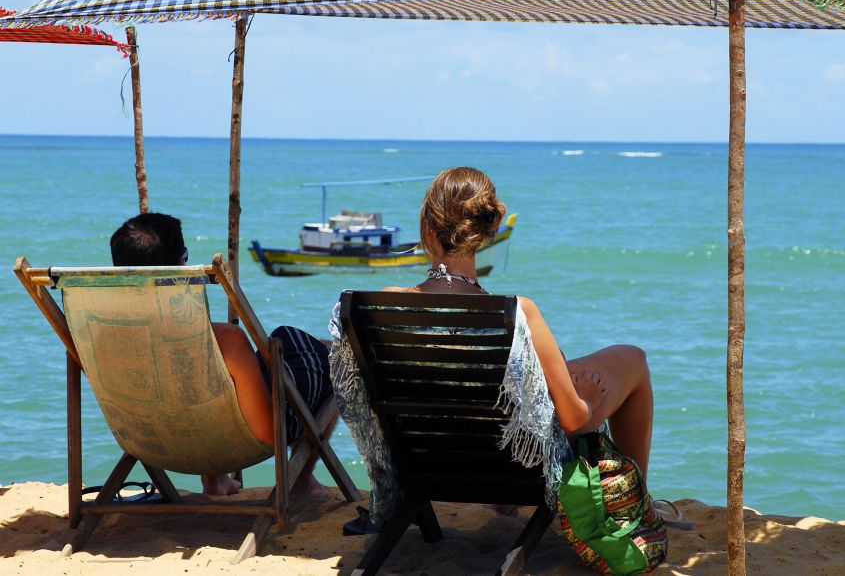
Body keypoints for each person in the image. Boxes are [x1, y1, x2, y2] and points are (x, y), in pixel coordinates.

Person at [328, 167, 654, 524]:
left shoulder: (383, 305)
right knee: (632, 360)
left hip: (424, 463)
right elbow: (573, 420)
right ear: (490, 231)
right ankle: (638, 507)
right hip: (516, 469)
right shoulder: (520, 313)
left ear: (426, 230)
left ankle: (503, 507)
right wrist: (589, 400)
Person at [110, 212, 331, 497]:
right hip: (228, 444)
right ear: (179, 266)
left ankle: (216, 480)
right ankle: (299, 477)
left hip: (147, 443)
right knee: (323, 354)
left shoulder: (102, 337)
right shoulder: (225, 340)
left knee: (208, 375)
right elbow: (267, 432)